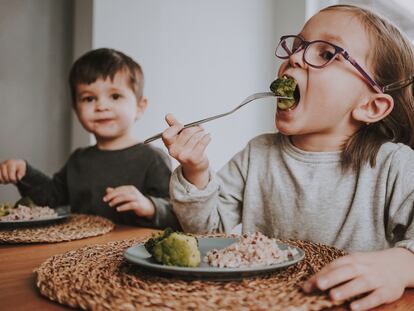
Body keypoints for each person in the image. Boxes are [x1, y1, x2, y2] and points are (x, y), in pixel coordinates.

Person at [160, 5, 414, 310]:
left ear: (371, 107)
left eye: (326, 53)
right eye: (297, 47)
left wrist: (400, 266)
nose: (294, 58)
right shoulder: (257, 154)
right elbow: (206, 234)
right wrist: (196, 172)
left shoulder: (395, 166)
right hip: (264, 302)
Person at [0, 48, 180, 229]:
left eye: (115, 96)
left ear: (140, 106)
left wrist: (149, 206)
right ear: (75, 108)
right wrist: (25, 173)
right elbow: (50, 199)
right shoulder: (78, 159)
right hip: (80, 251)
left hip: (131, 250)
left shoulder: (152, 159)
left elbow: (177, 214)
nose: (101, 106)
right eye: (89, 99)